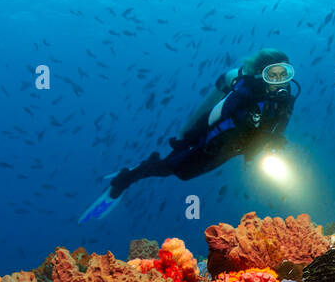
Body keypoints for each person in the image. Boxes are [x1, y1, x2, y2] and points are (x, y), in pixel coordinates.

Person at [108, 48, 298, 197]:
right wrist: (188, 137)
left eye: (285, 74)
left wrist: (274, 141)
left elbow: (281, 124)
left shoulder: (286, 97)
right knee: (173, 169)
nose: (280, 81)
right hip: (208, 142)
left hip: (232, 148)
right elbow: (213, 116)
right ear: (259, 74)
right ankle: (128, 176)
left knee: (186, 175)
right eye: (272, 75)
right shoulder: (244, 94)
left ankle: (152, 164)